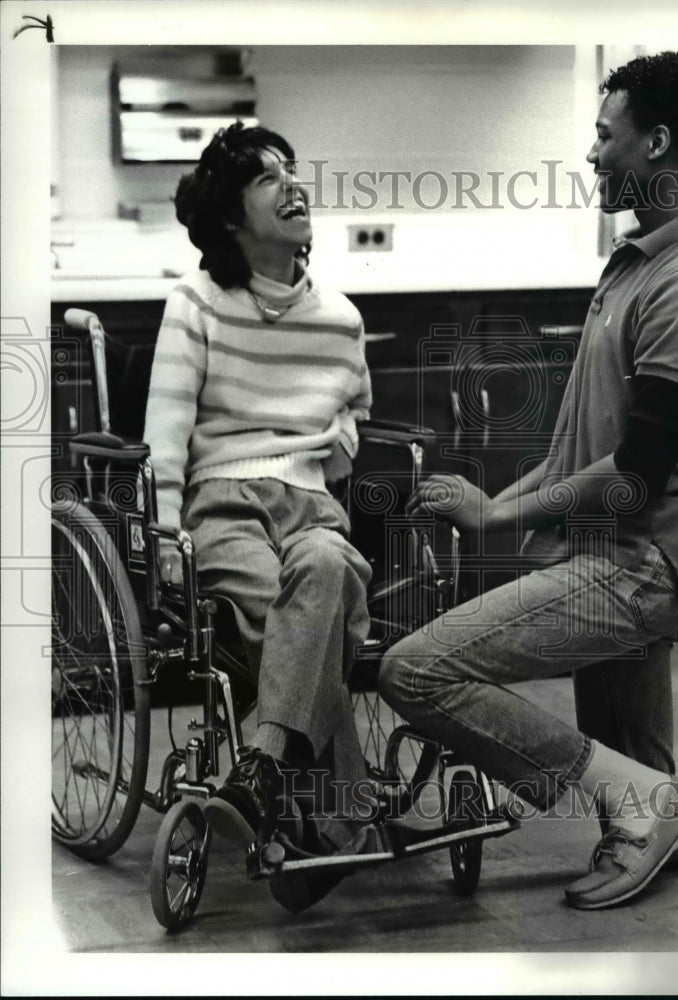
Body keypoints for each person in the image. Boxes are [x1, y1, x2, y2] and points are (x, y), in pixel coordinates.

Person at [378, 51, 678, 910]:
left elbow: (635, 476)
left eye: (602, 135)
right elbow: (586, 443)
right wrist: (500, 505)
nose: (589, 154)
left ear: (654, 145)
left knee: (413, 671)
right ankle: (667, 811)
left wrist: (500, 521)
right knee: (639, 772)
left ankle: (650, 808)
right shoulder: (636, 264)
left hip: (634, 562)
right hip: (607, 550)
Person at [143, 122, 375, 912]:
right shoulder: (195, 305)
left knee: (326, 567)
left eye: (292, 168)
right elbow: (165, 432)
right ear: (232, 218)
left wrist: (322, 448)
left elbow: (351, 423)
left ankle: (265, 765)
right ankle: (337, 825)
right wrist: (166, 537)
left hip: (310, 502)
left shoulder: (340, 317)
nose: (291, 183)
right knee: (296, 620)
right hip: (223, 504)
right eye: (266, 177)